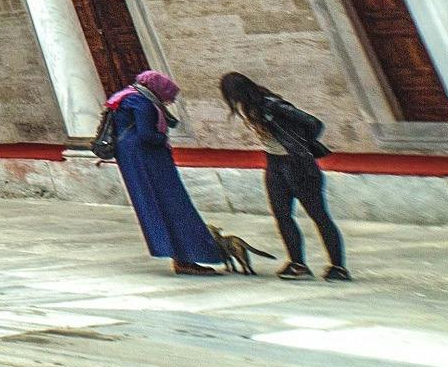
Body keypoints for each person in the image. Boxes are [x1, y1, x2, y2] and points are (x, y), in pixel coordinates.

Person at [221, 71, 348, 280]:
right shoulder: (248, 108)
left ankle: (338, 267)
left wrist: (300, 145)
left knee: (318, 215)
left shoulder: (271, 105)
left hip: (298, 164)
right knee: (281, 215)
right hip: (275, 163)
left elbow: (313, 123)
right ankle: (298, 264)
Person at [100, 69, 221, 275]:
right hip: (149, 159)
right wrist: (163, 139)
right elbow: (147, 134)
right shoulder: (143, 103)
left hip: (130, 159)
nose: (168, 100)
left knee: (154, 206)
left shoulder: (123, 97)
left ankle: (178, 255)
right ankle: (187, 257)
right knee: (174, 205)